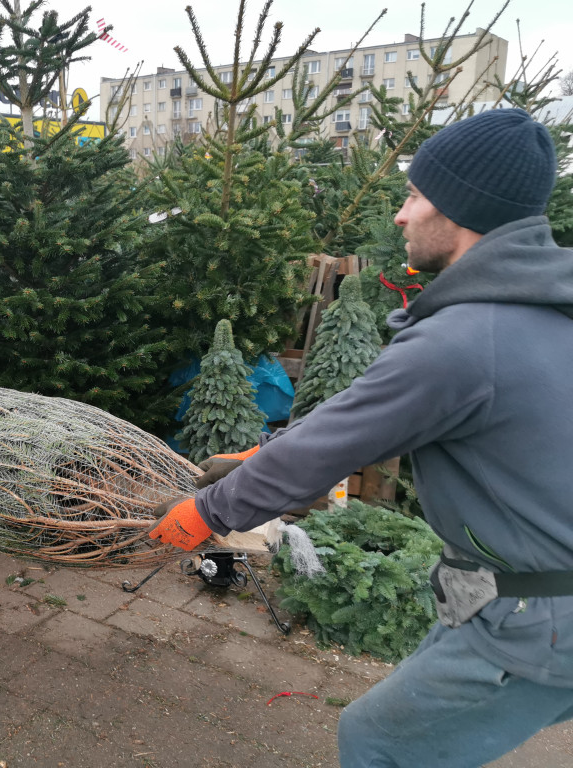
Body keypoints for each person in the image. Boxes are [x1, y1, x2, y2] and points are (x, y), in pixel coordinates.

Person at [150, 108, 573, 767]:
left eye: (413, 195)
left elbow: (338, 442)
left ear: (459, 207)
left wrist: (207, 512)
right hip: (515, 594)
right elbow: (382, 420)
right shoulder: (540, 306)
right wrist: (267, 455)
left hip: (540, 617)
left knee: (378, 742)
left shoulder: (466, 337)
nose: (401, 215)